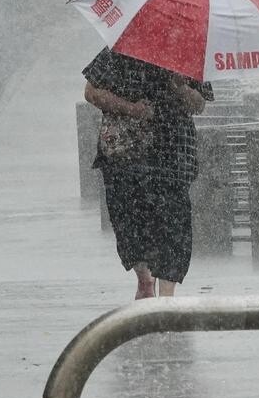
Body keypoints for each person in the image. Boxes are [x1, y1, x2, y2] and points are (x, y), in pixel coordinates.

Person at [83, 47, 214, 300]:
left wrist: (179, 87)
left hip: (175, 152)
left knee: (174, 222)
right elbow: (91, 92)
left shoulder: (190, 52)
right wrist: (133, 109)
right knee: (129, 221)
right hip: (127, 153)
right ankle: (144, 278)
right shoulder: (121, 48)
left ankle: (166, 297)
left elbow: (199, 104)